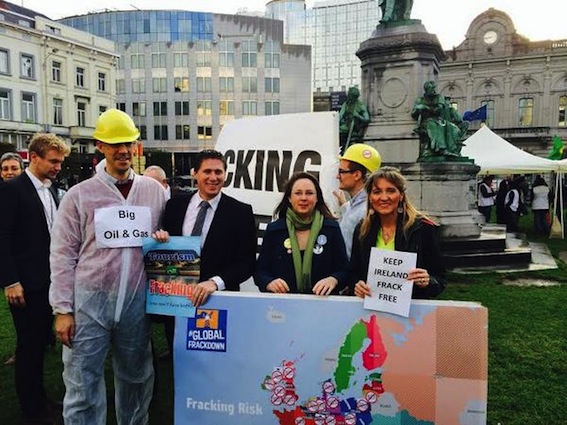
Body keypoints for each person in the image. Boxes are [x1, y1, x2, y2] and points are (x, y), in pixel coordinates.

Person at [49, 109, 167, 424]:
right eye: (115, 144)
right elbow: (62, 253)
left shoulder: (153, 191)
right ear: (100, 145)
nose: (123, 151)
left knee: (137, 377)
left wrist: (163, 239)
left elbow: (163, 242)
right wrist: (62, 309)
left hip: (134, 306)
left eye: (128, 143)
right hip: (89, 306)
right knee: (82, 381)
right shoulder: (80, 195)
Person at [0, 133, 70, 424]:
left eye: (60, 162)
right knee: (28, 347)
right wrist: (10, 281)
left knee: (39, 343)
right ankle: (32, 409)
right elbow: (1, 237)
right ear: (35, 157)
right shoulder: (12, 190)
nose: (58, 167)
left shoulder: (52, 190)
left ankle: (40, 399)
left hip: (48, 281)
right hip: (26, 284)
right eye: (53, 161)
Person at [161, 149, 256, 355]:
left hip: (218, 301)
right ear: (195, 173)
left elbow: (247, 262)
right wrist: (160, 240)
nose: (213, 178)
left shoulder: (240, 212)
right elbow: (165, 250)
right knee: (179, 361)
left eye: (219, 172)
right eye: (207, 172)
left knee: (215, 365)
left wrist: (215, 282)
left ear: (225, 174)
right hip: (176, 301)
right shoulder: (174, 206)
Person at [350, 167, 446, 300]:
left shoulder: (422, 228)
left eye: (391, 191)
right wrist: (358, 286)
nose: (384, 197)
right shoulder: (362, 230)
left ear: (401, 195)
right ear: (370, 197)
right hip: (372, 313)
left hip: (413, 314)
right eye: (377, 192)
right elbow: (355, 273)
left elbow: (440, 279)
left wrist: (427, 281)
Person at [255, 172, 349, 295]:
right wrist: (269, 282)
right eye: (298, 193)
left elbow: (344, 270)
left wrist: (333, 279)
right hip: (283, 307)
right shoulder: (275, 230)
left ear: (317, 198)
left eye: (309, 193)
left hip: (323, 307)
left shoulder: (331, 228)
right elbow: (260, 272)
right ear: (289, 198)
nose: (303, 198)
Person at [333, 143, 381, 259]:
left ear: (356, 175)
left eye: (341, 171)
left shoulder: (367, 211)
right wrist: (345, 207)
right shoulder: (356, 206)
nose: (337, 176)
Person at [1, 152, 25, 366]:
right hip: (14, 268)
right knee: (21, 316)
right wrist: (9, 279)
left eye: (13, 168)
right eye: (5, 169)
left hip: (37, 266)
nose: (9, 172)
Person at [411, 81, 469, 158]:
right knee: (434, 125)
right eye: (432, 89)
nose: (433, 90)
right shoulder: (420, 100)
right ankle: (442, 149)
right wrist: (417, 109)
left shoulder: (439, 97)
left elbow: (438, 110)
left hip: (439, 120)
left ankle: (453, 149)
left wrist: (425, 107)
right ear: (427, 89)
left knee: (452, 127)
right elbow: (414, 115)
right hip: (426, 122)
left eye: (434, 88)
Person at [338, 87, 370, 153]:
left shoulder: (361, 106)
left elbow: (367, 119)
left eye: (351, 96)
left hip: (354, 130)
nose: (349, 98)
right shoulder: (346, 104)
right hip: (344, 129)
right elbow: (340, 116)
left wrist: (357, 116)